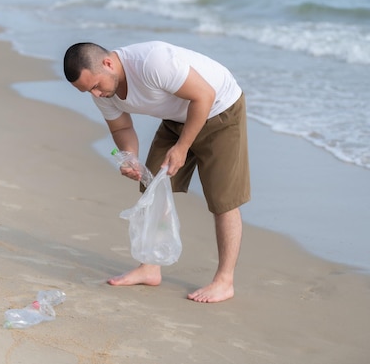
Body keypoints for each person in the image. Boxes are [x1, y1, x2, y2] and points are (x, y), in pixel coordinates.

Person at [63, 41, 250, 303]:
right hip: (179, 117)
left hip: (220, 109)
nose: (95, 94)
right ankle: (150, 267)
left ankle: (224, 281)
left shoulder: (152, 62)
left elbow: (204, 95)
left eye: (95, 86)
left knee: (223, 200)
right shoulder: (103, 90)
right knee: (150, 186)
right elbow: (121, 130)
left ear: (107, 63)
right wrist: (130, 158)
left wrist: (183, 147)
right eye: (87, 91)